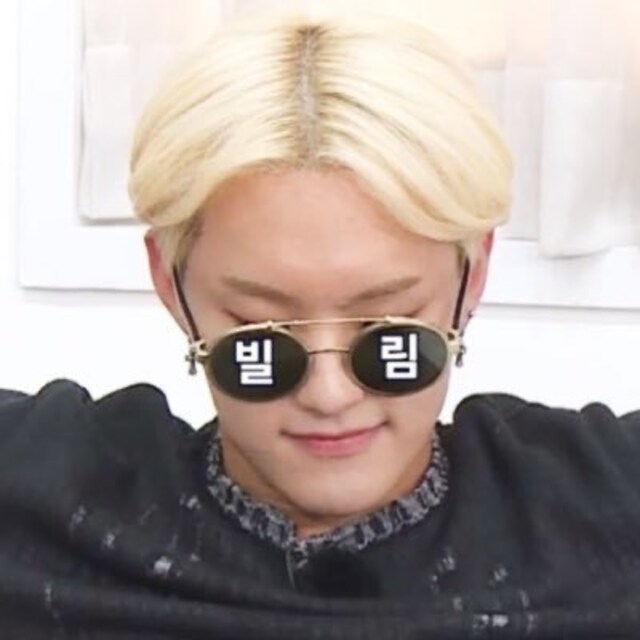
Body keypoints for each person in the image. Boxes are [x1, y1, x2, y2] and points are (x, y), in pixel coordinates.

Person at [1, 8, 639, 640]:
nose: (330, 396)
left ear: (473, 275)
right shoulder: (48, 501)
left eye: (388, 325)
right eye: (262, 330)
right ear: (171, 286)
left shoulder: (602, 510)